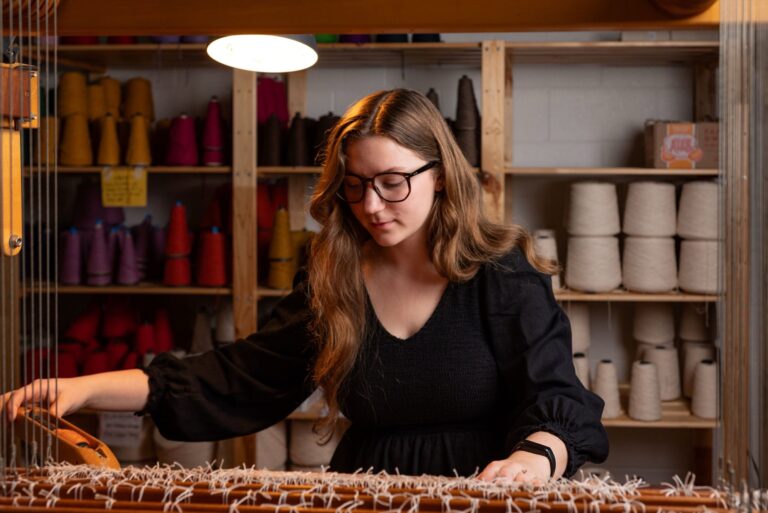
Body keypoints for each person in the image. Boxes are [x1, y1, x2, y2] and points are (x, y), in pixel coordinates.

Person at [3, 89, 608, 482]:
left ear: (442, 176)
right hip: (365, 492)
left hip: (483, 496)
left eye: (393, 182)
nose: (371, 204)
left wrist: (538, 455)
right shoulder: (335, 278)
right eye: (356, 184)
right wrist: (80, 389)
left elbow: (559, 396)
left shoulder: (500, 273)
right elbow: (236, 379)